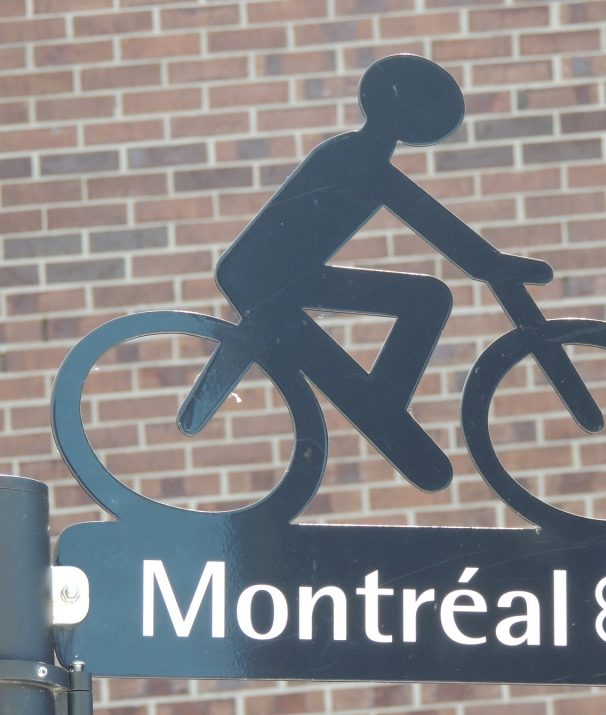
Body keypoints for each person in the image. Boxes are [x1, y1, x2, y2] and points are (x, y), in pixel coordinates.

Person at [178, 54, 553, 492]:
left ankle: (381, 404)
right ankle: (382, 406)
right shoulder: (357, 157)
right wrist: (490, 265)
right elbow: (431, 220)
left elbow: (428, 217)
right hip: (263, 279)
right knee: (426, 300)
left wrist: (490, 264)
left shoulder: (362, 156)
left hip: (285, 275)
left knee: (424, 300)